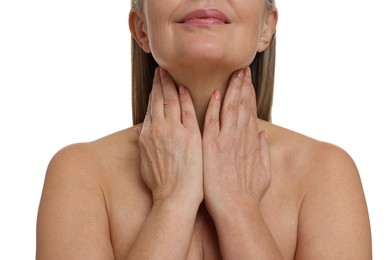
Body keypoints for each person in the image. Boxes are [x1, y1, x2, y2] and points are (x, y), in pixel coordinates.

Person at [36, 0, 372, 259]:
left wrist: (238, 205)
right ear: (140, 29)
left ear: (267, 28)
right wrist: (172, 202)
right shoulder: (79, 174)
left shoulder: (325, 173)